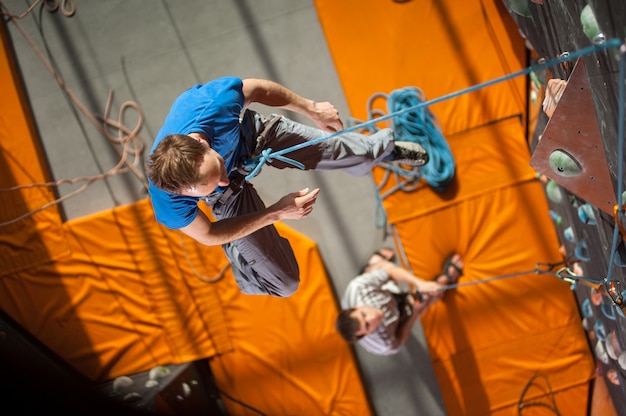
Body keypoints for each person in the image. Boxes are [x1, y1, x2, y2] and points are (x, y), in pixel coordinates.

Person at [146, 77, 429, 297]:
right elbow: (207, 234)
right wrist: (276, 213)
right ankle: (244, 262)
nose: (222, 178)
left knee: (359, 152)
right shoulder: (168, 201)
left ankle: (383, 150)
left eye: (218, 168)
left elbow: (257, 89)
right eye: (210, 185)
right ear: (184, 193)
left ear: (201, 143)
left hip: (250, 139)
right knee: (284, 283)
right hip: (227, 199)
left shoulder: (211, 105)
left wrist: (312, 108)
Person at [335, 251, 463, 355]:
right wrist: (415, 313)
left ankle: (370, 267)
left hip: (383, 292)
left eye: (363, 314)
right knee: (425, 299)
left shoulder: (359, 288)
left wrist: (420, 283)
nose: (373, 317)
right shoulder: (383, 344)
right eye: (368, 325)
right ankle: (446, 277)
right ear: (366, 335)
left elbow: (390, 273)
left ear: (357, 306)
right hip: (398, 312)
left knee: (383, 267)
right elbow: (399, 339)